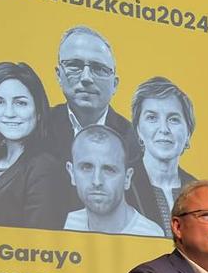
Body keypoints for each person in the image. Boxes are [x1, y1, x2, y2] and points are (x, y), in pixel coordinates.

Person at [42, 25, 141, 218]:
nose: (86, 78)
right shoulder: (38, 128)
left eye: (99, 68)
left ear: (115, 84)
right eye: (75, 65)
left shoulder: (134, 141)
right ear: (58, 75)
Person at [0, 61, 65, 228]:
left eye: (20, 103)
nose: (9, 113)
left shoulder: (44, 167)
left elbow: (40, 243)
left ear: (38, 111)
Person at [63, 126, 163, 236]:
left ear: (127, 178)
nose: (97, 181)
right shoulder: (66, 225)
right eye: (86, 167)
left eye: (109, 169)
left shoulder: (151, 236)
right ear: (72, 173)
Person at [128, 76, 197, 235]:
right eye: (152, 118)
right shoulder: (119, 184)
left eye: (173, 119)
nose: (164, 129)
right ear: (138, 129)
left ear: (188, 133)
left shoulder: (200, 192)